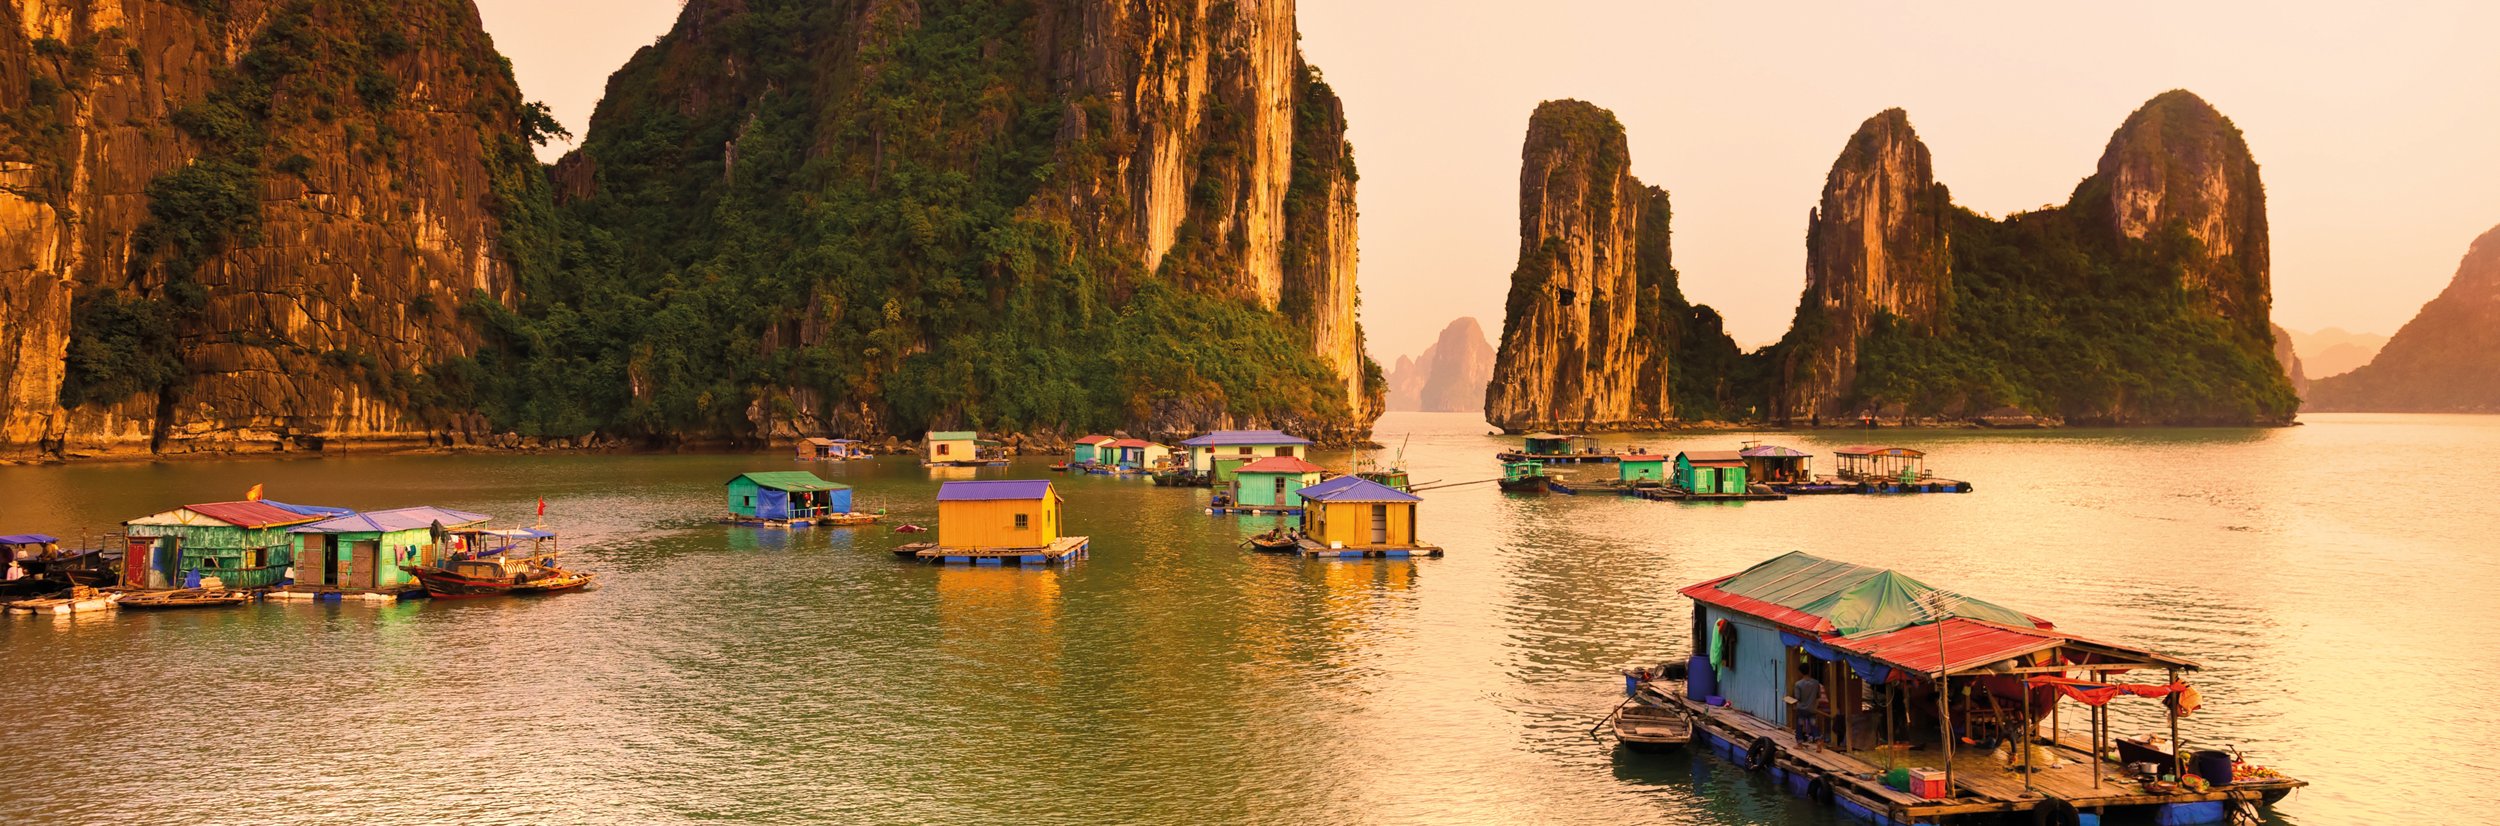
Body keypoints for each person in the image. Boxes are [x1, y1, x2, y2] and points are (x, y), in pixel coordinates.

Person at [1790, 665, 1826, 749]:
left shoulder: (1798, 684)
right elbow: (1818, 695)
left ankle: (1799, 744)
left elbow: (1798, 697)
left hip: (1801, 709)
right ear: (1809, 671)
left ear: (1800, 672)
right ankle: (1818, 741)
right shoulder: (1816, 683)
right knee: (1813, 725)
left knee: (1799, 725)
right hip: (1812, 708)